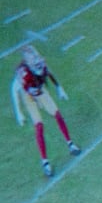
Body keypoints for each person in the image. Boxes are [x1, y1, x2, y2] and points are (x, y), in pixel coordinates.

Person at [12, 44, 80, 177]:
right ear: (27, 62)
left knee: (57, 114)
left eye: (35, 58)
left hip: (40, 90)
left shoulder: (41, 65)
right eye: (32, 60)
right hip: (29, 96)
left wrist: (59, 88)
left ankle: (70, 144)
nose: (35, 62)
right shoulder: (23, 73)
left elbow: (49, 73)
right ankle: (45, 162)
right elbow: (14, 90)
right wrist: (18, 112)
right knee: (39, 125)